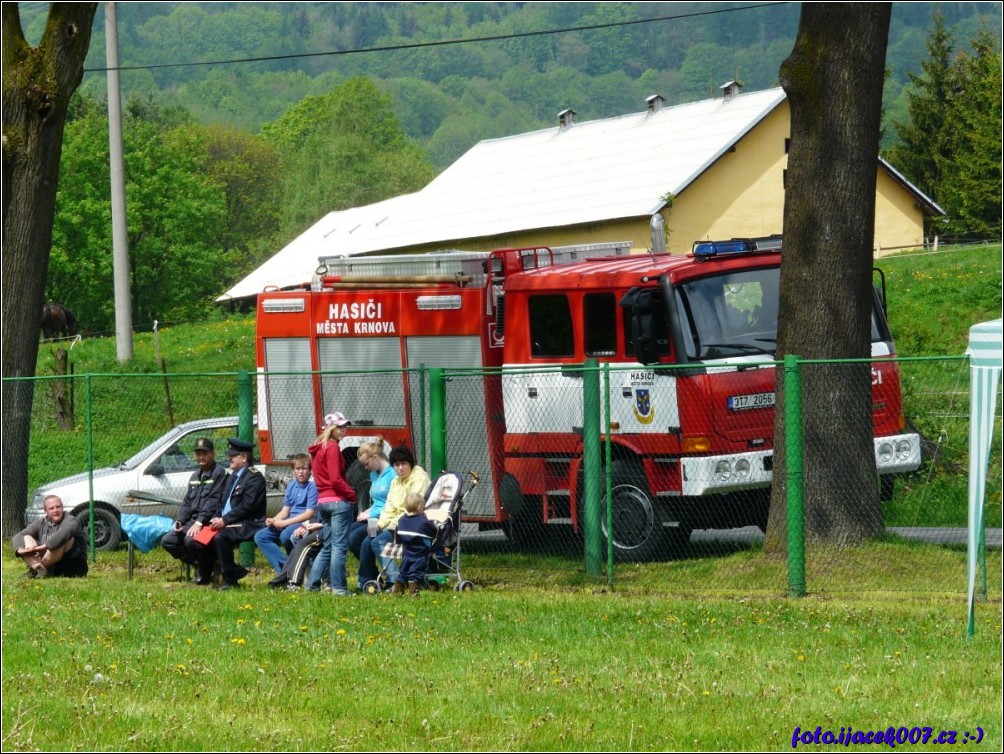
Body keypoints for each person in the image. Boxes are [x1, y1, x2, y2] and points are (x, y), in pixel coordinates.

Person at [188, 438, 267, 590]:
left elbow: (247, 506)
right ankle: (233, 569)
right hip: (228, 521)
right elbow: (222, 503)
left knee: (220, 536)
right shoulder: (232, 476)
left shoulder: (254, 477)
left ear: (244, 458)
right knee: (196, 541)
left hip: (247, 522)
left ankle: (230, 580)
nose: (228, 458)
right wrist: (215, 518)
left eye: (233, 455)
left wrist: (224, 520)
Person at [161, 437, 227, 584]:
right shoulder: (195, 476)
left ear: (213, 454)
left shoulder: (219, 473)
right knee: (168, 541)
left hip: (209, 522)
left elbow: (213, 502)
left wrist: (199, 522)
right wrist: (180, 520)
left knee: (191, 541)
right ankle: (201, 565)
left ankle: (206, 569)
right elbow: (187, 502)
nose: (201, 457)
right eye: (198, 454)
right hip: (192, 521)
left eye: (205, 453)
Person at [305, 412, 357, 596]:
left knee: (328, 546)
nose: (344, 430)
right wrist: (351, 494)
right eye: (340, 427)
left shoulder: (317, 448)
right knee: (338, 547)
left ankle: (312, 586)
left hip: (323, 502)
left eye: (344, 426)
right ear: (330, 428)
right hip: (337, 502)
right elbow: (335, 478)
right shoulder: (332, 447)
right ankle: (339, 589)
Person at [370, 444, 431, 586]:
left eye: (403, 464)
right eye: (396, 465)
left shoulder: (420, 479)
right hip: (395, 524)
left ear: (410, 463)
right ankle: (366, 580)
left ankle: (396, 580)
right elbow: (389, 507)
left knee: (377, 542)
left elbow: (413, 509)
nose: (400, 468)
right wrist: (379, 524)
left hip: (410, 526)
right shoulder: (395, 481)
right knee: (364, 540)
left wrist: (391, 525)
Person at [254, 453, 317, 577]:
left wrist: (285, 523)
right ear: (293, 471)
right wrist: (274, 519)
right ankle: (284, 569)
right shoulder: (291, 485)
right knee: (261, 536)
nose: (301, 472)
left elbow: (309, 514)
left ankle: (296, 567)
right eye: (298, 469)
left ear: (310, 471)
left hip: (302, 522)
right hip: (289, 522)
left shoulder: (312, 487)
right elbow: (285, 510)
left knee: (285, 535)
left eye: (304, 469)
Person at [347, 439, 396, 590]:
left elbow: (391, 504)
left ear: (375, 457)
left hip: (385, 519)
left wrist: (370, 514)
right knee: (352, 536)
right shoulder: (375, 475)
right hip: (374, 517)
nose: (366, 468)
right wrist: (367, 512)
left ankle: (366, 580)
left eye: (367, 464)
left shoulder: (392, 475)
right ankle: (372, 575)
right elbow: (377, 501)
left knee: (367, 540)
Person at [12, 495, 88, 578]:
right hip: (50, 563)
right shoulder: (41, 522)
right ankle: (38, 569)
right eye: (51, 508)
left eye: (58, 507)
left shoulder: (71, 520)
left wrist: (43, 547)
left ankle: (39, 570)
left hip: (72, 567)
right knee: (27, 537)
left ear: (62, 507)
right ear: (45, 511)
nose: (55, 510)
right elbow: (19, 535)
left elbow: (63, 533)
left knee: (66, 539)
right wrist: (20, 550)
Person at [392, 492, 439, 596]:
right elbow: (433, 532)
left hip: (406, 552)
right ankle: (414, 590)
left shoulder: (402, 520)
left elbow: (398, 536)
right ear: (419, 507)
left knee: (403, 570)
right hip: (420, 553)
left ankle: (398, 589)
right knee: (416, 572)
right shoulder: (423, 522)